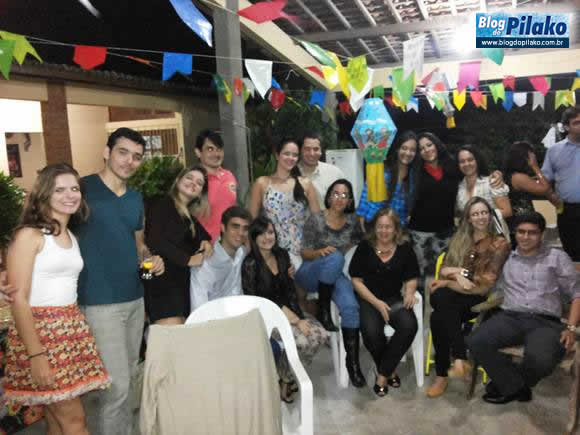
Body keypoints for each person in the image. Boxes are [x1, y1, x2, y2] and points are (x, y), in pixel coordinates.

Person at [4, 164, 111, 434]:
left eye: (74, 188)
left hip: (69, 330)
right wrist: (36, 355)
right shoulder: (30, 235)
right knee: (75, 423)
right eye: (59, 190)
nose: (69, 195)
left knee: (57, 422)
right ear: (44, 194)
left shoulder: (69, 234)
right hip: (42, 336)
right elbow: (18, 299)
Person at [76, 127, 164, 435]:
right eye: (123, 152)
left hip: (135, 300)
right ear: (107, 152)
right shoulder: (81, 189)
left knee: (128, 379)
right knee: (117, 388)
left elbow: (139, 249)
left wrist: (152, 264)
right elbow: (49, 227)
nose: (129, 161)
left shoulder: (136, 199)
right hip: (99, 302)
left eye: (137, 157)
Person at [467, 211, 580, 404]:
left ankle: (509, 384)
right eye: (521, 232)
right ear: (515, 233)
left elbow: (577, 293)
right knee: (476, 341)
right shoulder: (505, 258)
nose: (525, 237)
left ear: (542, 234)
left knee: (542, 360)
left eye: (532, 232)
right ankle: (516, 387)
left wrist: (570, 328)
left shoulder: (557, 258)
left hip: (546, 322)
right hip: (510, 317)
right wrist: (450, 277)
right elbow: (481, 277)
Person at [425, 197, 510, 398]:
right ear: (469, 219)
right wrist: (457, 274)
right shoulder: (460, 238)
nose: (480, 217)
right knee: (440, 303)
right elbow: (444, 268)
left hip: (478, 298)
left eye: (484, 212)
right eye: (475, 214)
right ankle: (459, 359)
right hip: (452, 296)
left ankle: (443, 374)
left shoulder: (500, 243)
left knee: (438, 312)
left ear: (490, 215)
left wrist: (452, 279)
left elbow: (485, 282)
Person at [242, 216, 328, 402]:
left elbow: (289, 290)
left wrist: (299, 316)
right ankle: (286, 378)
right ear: (254, 238)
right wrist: (295, 321)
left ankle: (286, 376)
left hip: (289, 309)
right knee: (302, 342)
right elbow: (257, 301)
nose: (267, 237)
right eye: (261, 234)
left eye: (270, 232)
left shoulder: (282, 255)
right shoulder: (250, 264)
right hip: (265, 316)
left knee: (320, 335)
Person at [295, 179, 366, 387]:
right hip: (310, 272)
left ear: (350, 200)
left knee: (351, 307)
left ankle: (353, 365)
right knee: (335, 257)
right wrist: (320, 252)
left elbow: (360, 241)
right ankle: (323, 309)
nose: (340, 198)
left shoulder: (352, 221)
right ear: (328, 196)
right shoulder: (316, 219)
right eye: (336, 193)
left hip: (335, 275)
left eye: (345, 195)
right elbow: (304, 252)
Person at [349, 208, 419, 397]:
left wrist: (409, 292)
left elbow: (412, 277)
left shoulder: (404, 248)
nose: (384, 230)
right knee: (371, 332)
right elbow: (356, 280)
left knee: (409, 325)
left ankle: (382, 373)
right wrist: (377, 304)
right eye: (380, 226)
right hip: (368, 298)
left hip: (394, 298)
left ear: (396, 229)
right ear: (375, 228)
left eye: (388, 226)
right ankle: (389, 371)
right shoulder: (365, 246)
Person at [144, 165, 213, 325]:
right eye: (189, 177)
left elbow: (201, 236)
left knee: (178, 333)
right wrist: (187, 260)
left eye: (199, 183)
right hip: (160, 279)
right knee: (170, 334)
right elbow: (154, 240)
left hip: (179, 283)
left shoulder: (187, 216)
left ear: (201, 193)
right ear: (178, 180)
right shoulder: (161, 204)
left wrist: (205, 242)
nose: (193, 183)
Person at [248, 137, 320, 269]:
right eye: (286, 153)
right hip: (272, 251)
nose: (291, 158)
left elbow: (317, 220)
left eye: (295, 155)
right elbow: (252, 221)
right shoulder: (262, 183)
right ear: (277, 155)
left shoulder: (305, 183)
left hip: (303, 252)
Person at [407, 132, 462, 290]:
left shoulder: (452, 166)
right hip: (420, 234)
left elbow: (472, 173)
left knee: (445, 275)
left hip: (446, 233)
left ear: (436, 145)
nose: (426, 150)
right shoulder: (415, 171)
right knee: (421, 278)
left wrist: (496, 175)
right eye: (421, 148)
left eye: (429, 145)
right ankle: (422, 305)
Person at [190, 206, 251, 312]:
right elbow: (198, 310)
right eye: (235, 227)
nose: (241, 233)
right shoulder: (205, 264)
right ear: (223, 227)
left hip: (237, 312)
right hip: (212, 317)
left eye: (245, 228)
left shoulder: (241, 252)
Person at [357, 131, 418, 230]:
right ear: (397, 149)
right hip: (375, 226)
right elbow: (366, 195)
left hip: (397, 229)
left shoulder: (413, 176)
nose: (408, 153)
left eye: (412, 150)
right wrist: (362, 224)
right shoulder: (382, 170)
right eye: (404, 148)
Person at [542, 106, 580, 261]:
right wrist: (551, 197)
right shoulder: (554, 151)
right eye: (577, 122)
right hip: (567, 210)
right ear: (566, 127)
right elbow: (545, 180)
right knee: (571, 253)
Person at [503, 141, 556, 238]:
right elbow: (545, 189)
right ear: (525, 158)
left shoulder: (511, 175)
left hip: (516, 223)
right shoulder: (519, 177)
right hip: (523, 223)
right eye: (531, 156)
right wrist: (535, 166)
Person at [193, 129, 237, 243]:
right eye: (210, 149)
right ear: (198, 152)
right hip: (204, 247)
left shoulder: (229, 176)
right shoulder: (193, 180)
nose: (216, 154)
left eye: (219, 149)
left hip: (230, 246)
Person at [455, 145, 512, 219]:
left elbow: (507, 211)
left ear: (477, 161)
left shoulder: (492, 182)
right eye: (462, 161)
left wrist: (478, 218)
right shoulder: (458, 187)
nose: (466, 164)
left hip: (493, 226)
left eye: (470, 160)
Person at [297, 130, 345, 210]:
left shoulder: (335, 173)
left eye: (316, 149)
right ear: (300, 150)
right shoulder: (291, 174)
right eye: (307, 149)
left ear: (321, 151)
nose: (312, 153)